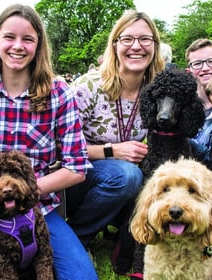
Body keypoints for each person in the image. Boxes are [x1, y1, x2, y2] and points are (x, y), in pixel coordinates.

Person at [0, 4, 98, 279]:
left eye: (27, 39)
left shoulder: (58, 93)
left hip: (40, 208)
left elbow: (77, 168)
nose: (17, 46)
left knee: (82, 277)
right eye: (10, 37)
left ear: (38, 45)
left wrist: (20, 193)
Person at [67, 9, 165, 250]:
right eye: (127, 39)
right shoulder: (88, 86)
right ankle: (76, 237)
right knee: (127, 176)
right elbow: (61, 148)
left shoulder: (156, 91)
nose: (136, 46)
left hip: (118, 176)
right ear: (114, 45)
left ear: (155, 46)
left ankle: (123, 229)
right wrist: (111, 151)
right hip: (75, 176)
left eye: (145, 39)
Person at [185, 38, 212, 166]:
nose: (205, 68)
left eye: (211, 61)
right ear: (189, 71)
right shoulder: (181, 107)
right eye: (197, 64)